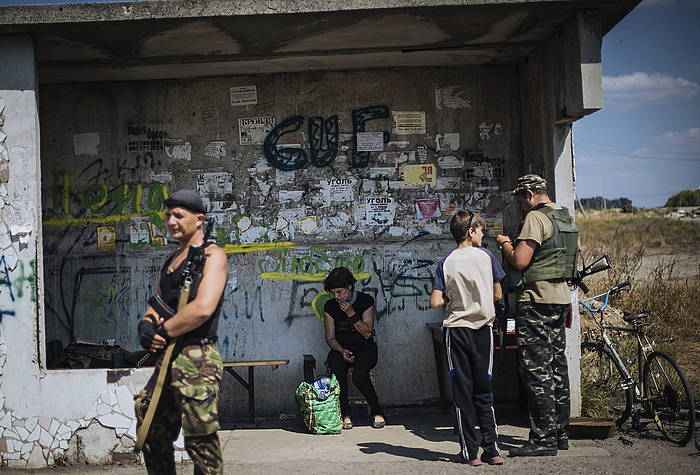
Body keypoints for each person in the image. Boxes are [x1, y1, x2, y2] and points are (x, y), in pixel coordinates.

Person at [134, 189, 228, 474]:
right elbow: (156, 303)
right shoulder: (172, 260)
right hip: (169, 359)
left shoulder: (213, 256)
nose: (171, 221)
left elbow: (202, 308)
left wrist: (163, 329)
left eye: (178, 215)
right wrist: (146, 326)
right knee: (150, 427)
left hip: (197, 357)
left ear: (199, 219)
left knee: (200, 442)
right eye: (168, 216)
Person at [496, 174, 578, 457]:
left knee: (536, 371)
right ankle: (559, 434)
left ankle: (542, 440)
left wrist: (505, 243)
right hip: (559, 299)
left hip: (537, 301)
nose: (520, 206)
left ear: (530, 194)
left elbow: (520, 259)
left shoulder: (536, 218)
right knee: (557, 367)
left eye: (520, 200)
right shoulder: (564, 217)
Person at [430, 210, 506, 466]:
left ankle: (470, 453)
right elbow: (497, 294)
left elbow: (435, 301)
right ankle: (493, 449)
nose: (483, 234)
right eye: (481, 230)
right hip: (483, 330)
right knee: (484, 389)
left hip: (456, 330)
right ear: (471, 231)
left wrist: (453, 298)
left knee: (462, 392)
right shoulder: (487, 257)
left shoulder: (446, 261)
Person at [323, 267, 386, 430]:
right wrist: (341, 350)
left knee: (359, 375)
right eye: (333, 293)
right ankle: (345, 413)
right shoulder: (330, 306)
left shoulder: (365, 301)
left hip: (365, 348)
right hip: (342, 348)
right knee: (338, 372)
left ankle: (376, 410)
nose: (337, 296)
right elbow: (330, 337)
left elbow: (367, 332)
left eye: (339, 292)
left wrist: (351, 314)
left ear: (349, 286)